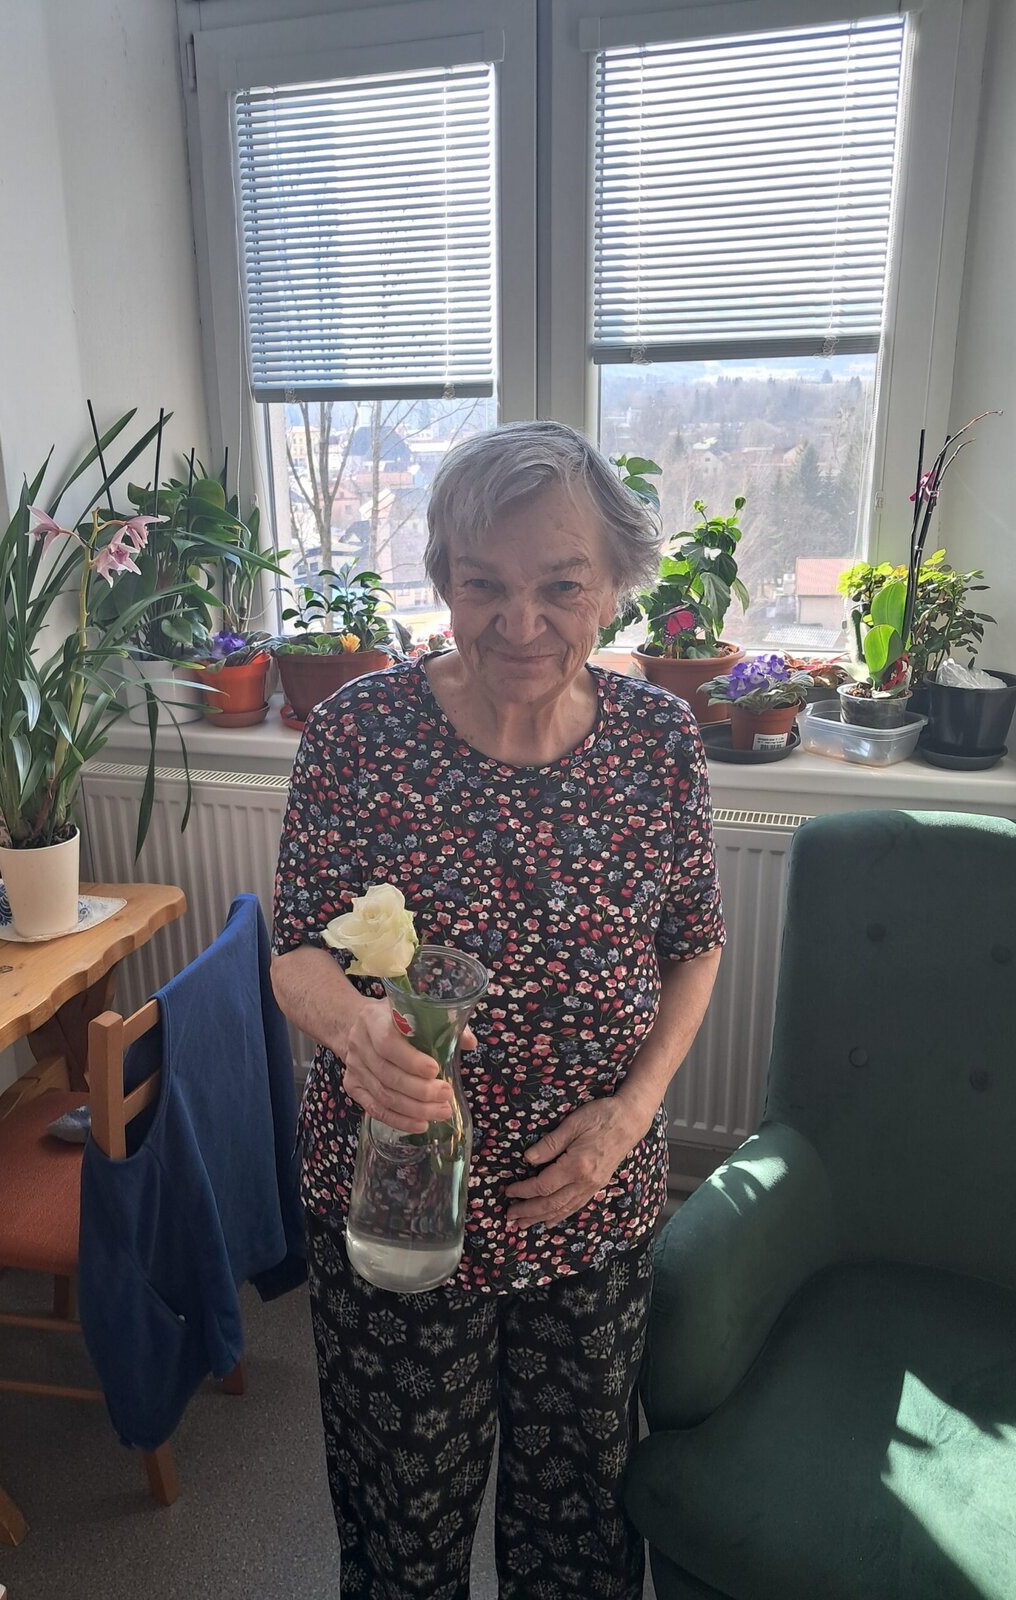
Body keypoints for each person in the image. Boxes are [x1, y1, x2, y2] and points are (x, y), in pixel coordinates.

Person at [271, 420, 725, 1600]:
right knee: (402, 1521)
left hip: (590, 1200)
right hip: (396, 1204)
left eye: (561, 586)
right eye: (484, 585)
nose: (520, 623)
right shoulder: (359, 733)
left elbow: (695, 947)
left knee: (578, 1524)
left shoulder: (659, 744)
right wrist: (356, 1031)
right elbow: (297, 950)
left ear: (614, 588)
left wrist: (632, 1111)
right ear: (444, 581)